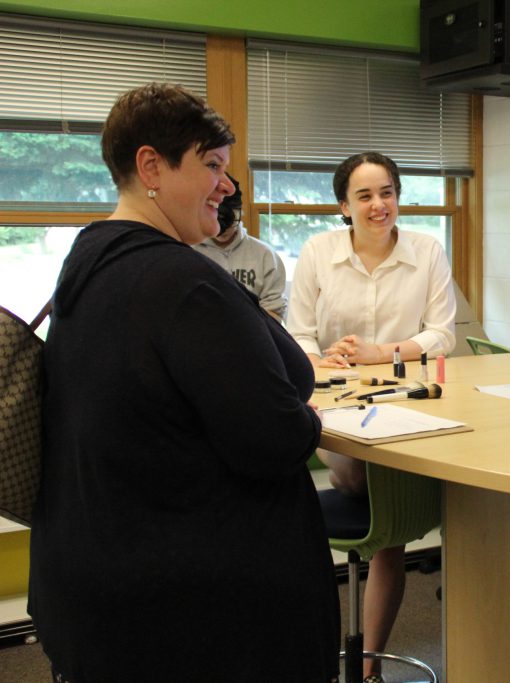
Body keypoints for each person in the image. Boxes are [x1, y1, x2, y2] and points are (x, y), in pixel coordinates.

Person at [29, 83, 340, 682]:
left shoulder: (90, 260)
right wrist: (312, 422)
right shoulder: (181, 283)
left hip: (100, 586)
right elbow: (274, 436)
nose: (226, 186)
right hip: (192, 617)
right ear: (151, 166)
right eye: (212, 166)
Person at [287, 151, 455, 682]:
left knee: (392, 512)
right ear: (344, 205)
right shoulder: (318, 252)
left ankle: (367, 665)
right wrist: (321, 358)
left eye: (387, 192)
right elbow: (298, 334)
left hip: (405, 399)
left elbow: (442, 335)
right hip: (337, 404)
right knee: (367, 478)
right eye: (364, 195)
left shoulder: (427, 249)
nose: (378, 205)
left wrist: (383, 353)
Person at [193, 172, 288, 320]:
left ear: (240, 213)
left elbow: (274, 312)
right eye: (218, 219)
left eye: (230, 220)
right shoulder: (190, 253)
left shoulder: (265, 256)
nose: (222, 228)